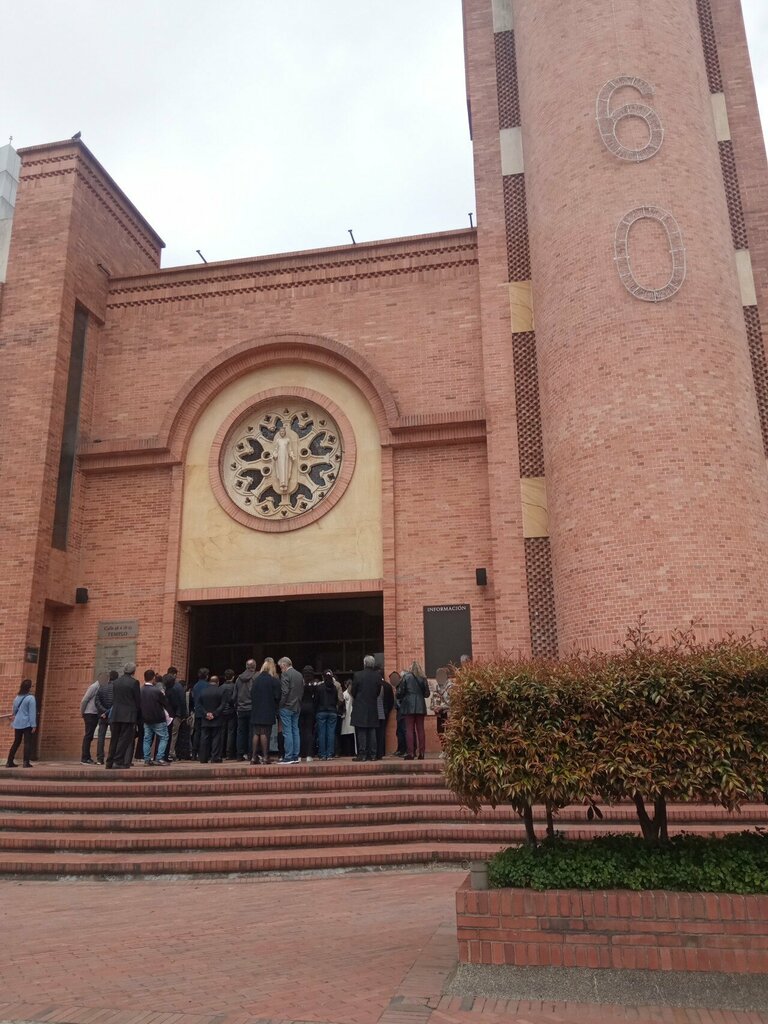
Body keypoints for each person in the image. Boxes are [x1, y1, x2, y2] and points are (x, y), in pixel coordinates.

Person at [106, 662, 141, 769]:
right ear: (133, 671)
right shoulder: (134, 683)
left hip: (116, 714)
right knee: (124, 739)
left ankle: (109, 761)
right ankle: (118, 761)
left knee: (114, 739)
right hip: (128, 715)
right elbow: (137, 700)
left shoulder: (116, 682)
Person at [351, 655, 383, 761]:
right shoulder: (377, 676)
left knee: (361, 731)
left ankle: (362, 754)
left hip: (360, 706)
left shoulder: (358, 675)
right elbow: (378, 691)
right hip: (372, 705)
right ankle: (373, 754)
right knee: (372, 730)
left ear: (364, 663)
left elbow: (353, 691)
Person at [249, 658, 281, 764]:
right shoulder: (273, 680)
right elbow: (277, 696)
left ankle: (253, 757)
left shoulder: (256, 679)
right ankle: (265, 756)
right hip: (267, 709)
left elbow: (251, 694)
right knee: (264, 732)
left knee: (256, 733)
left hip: (256, 709)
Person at [398, 661, 430, 760]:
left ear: (410, 668)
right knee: (420, 729)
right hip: (420, 705)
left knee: (409, 730)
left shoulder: (406, 677)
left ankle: (411, 753)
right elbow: (427, 694)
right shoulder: (423, 678)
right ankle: (422, 753)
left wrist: (401, 697)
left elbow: (400, 692)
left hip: (409, 705)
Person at [140, 669, 171, 766]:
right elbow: (165, 702)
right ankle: (159, 758)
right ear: (153, 678)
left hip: (146, 718)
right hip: (158, 718)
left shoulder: (140, 690)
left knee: (147, 739)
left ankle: (147, 759)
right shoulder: (157, 691)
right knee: (164, 737)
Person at [4, 679, 37, 768]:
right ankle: (26, 762)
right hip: (27, 724)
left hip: (17, 723)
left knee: (16, 742)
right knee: (27, 742)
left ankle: (9, 761)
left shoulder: (17, 697)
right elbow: (32, 712)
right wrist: (33, 725)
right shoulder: (31, 698)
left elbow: (14, 711)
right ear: (29, 687)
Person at [278, 657, 304, 764]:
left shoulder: (285, 675)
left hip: (287, 706)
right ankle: (295, 755)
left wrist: (280, 705)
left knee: (287, 731)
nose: (281, 669)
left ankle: (288, 756)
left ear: (284, 665)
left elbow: (284, 692)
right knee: (295, 730)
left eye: (280, 667)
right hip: (297, 706)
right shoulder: (299, 675)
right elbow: (301, 691)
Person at [197, 674, 226, 763]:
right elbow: (223, 705)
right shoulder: (221, 691)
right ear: (217, 682)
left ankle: (203, 757)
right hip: (216, 719)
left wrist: (206, 714)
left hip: (205, 719)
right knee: (216, 738)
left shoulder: (202, 691)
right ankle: (215, 757)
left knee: (204, 738)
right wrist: (215, 714)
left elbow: (198, 705)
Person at [315, 670, 342, 760]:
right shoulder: (334, 687)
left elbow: (316, 700)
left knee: (322, 733)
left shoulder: (319, 687)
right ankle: (330, 754)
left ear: (323, 677)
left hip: (321, 711)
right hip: (332, 712)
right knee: (331, 733)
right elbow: (336, 700)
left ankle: (322, 754)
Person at [234, 659, 256, 761]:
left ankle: (239, 754)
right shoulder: (255, 677)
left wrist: (237, 705)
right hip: (252, 708)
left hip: (241, 708)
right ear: (254, 667)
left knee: (241, 732)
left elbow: (234, 695)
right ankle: (251, 753)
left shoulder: (238, 679)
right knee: (252, 732)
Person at [94, 670, 117, 764]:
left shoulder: (102, 687)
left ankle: (100, 758)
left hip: (102, 716)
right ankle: (112, 757)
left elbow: (97, 701)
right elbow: (116, 703)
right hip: (112, 715)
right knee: (114, 737)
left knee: (101, 737)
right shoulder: (116, 688)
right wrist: (108, 712)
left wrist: (103, 712)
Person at [163, 668, 186, 761]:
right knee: (173, 734)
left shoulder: (162, 685)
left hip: (164, 714)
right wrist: (183, 714)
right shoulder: (177, 687)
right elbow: (181, 701)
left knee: (165, 734)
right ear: (175, 675)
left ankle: (164, 753)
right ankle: (170, 752)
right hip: (175, 714)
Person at [79, 678, 101, 764]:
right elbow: (84, 700)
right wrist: (82, 712)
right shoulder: (94, 686)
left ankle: (87, 757)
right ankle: (85, 758)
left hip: (94, 714)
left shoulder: (99, 686)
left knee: (90, 736)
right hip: (89, 713)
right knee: (88, 735)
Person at [190, 667, 210, 760]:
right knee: (205, 733)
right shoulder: (207, 686)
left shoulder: (195, 686)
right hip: (205, 712)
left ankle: (194, 753)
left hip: (197, 712)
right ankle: (203, 753)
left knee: (197, 733)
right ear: (206, 676)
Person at [431, 667, 454, 748]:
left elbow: (452, 701)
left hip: (448, 712)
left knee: (449, 731)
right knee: (440, 731)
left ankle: (449, 750)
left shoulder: (451, 687)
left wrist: (442, 707)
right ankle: (444, 749)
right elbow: (434, 698)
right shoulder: (437, 686)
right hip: (440, 713)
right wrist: (434, 707)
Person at [376, 671, 395, 760]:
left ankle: (376, 751)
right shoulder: (388, 685)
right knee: (382, 732)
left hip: (376, 711)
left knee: (375, 732)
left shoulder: (375, 685)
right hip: (386, 711)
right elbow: (392, 700)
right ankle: (382, 751)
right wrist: (388, 710)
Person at [300, 665, 318, 761]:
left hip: (301, 707)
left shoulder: (301, 682)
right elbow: (316, 698)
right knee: (309, 731)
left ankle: (300, 753)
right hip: (311, 708)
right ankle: (309, 754)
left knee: (300, 731)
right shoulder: (314, 683)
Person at [220, 669, 237, 759]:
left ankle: (221, 752)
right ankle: (229, 753)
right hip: (231, 711)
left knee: (222, 732)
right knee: (231, 732)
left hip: (222, 712)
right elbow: (234, 699)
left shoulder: (221, 687)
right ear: (233, 677)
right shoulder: (234, 687)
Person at [390, 671, 406, 756]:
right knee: (399, 731)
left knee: (403, 730)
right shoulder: (398, 687)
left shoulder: (402, 687)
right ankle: (401, 749)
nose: (392, 681)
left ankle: (404, 750)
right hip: (400, 711)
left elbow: (401, 698)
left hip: (403, 711)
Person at [339, 681, 356, 757]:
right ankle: (348, 752)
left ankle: (351, 752)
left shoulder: (352, 694)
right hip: (346, 717)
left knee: (351, 735)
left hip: (351, 717)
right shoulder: (345, 694)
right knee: (348, 735)